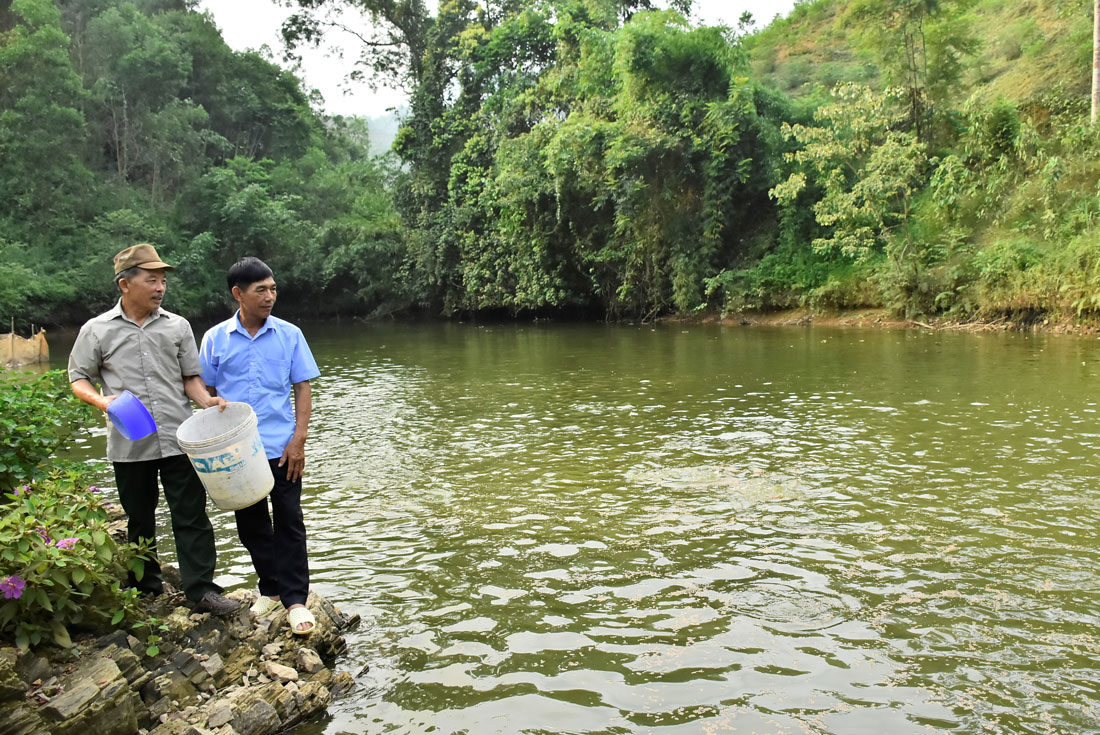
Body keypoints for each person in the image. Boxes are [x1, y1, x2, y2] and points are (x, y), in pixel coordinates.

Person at [68, 244, 240, 615]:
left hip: (180, 437)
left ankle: (202, 591)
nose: (160, 287)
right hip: (131, 441)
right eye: (152, 280)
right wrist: (103, 402)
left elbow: (190, 379)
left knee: (191, 515)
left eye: (163, 280)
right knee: (139, 516)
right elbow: (79, 379)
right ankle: (145, 587)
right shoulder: (96, 331)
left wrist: (206, 401)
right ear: (125, 284)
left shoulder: (177, 326)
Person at [199, 257, 321, 635]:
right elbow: (206, 391)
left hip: (282, 445)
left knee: (289, 519)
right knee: (251, 525)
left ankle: (296, 600)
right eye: (261, 290)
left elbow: (303, 386)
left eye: (273, 289)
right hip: (237, 451)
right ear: (239, 294)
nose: (270, 296)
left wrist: (299, 438)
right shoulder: (216, 338)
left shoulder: (289, 334)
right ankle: (270, 589)